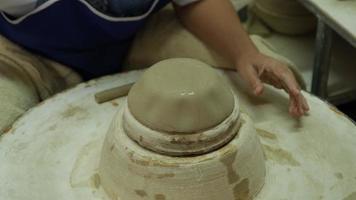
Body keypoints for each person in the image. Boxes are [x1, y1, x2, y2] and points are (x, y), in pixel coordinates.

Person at [0, 0, 309, 133]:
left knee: (267, 81)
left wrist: (244, 53)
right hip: (27, 55)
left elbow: (194, 2)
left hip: (130, 39)